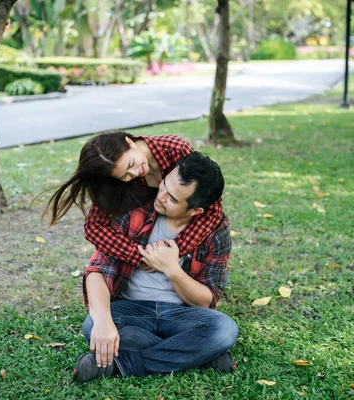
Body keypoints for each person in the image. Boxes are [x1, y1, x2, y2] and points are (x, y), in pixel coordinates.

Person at [73, 152, 237, 381]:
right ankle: (199, 356)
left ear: (195, 211)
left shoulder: (214, 231)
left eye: (172, 199)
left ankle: (123, 366)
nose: (160, 196)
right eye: (164, 185)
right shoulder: (135, 210)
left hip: (182, 316)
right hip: (131, 311)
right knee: (93, 324)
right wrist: (103, 322)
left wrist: (171, 269)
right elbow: (98, 270)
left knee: (225, 329)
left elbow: (204, 300)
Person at [43, 131, 224, 275]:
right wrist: (141, 256)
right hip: (140, 236)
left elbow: (212, 208)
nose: (136, 173)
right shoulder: (114, 178)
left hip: (180, 232)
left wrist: (170, 253)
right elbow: (94, 227)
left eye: (131, 163)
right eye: (125, 175)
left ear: (129, 142)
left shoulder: (175, 149)